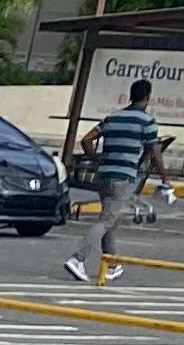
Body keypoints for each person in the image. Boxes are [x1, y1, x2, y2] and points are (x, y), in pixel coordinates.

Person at [68, 77, 166, 283]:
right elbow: (155, 152)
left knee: (110, 220)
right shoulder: (147, 121)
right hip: (123, 177)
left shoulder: (112, 117)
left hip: (104, 175)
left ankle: (112, 264)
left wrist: (96, 158)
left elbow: (86, 139)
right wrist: (164, 178)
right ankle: (78, 259)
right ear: (147, 98)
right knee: (107, 220)